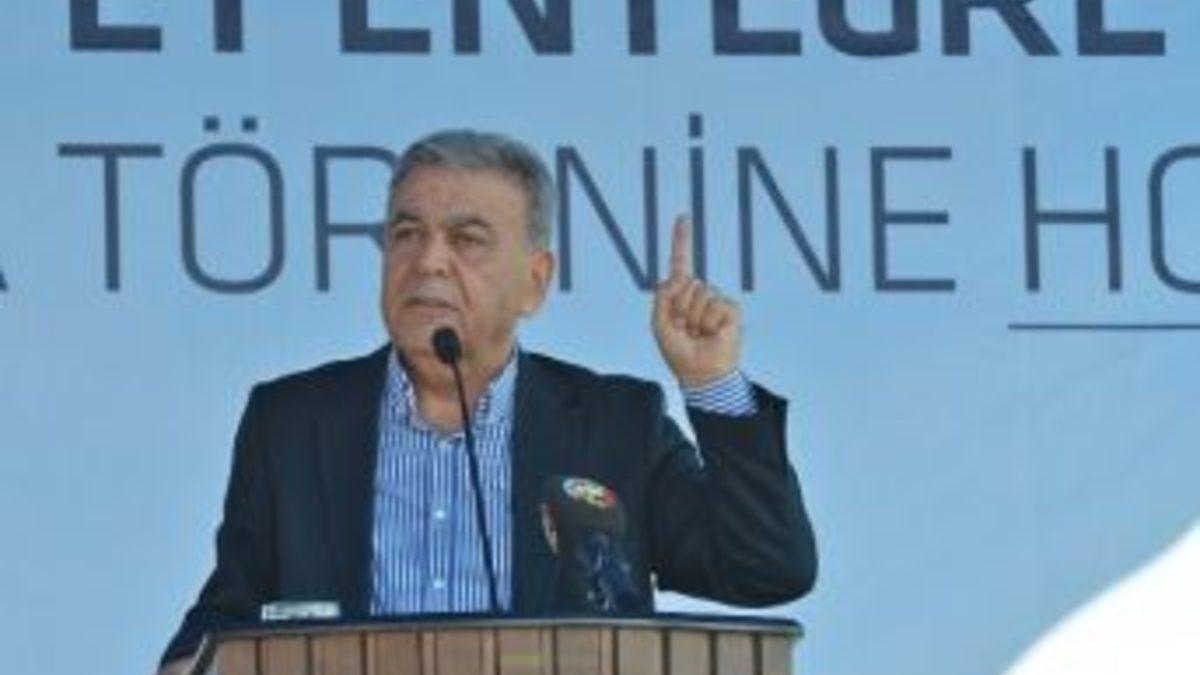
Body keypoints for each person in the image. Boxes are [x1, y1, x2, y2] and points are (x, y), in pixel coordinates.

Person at [156, 130, 817, 674]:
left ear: (535, 282)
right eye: (406, 233)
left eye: (466, 239)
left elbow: (765, 568)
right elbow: (228, 615)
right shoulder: (292, 423)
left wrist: (711, 383)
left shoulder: (615, 424)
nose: (428, 261)